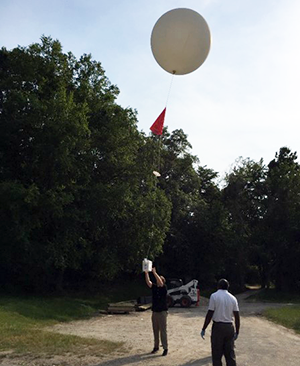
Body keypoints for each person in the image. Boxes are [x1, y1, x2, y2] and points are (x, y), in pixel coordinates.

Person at [201, 279, 240, 366]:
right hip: (229, 327)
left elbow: (210, 313)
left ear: (218, 286)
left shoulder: (214, 296)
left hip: (218, 327)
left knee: (217, 354)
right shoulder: (233, 298)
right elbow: (237, 317)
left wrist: (204, 328)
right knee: (230, 354)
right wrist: (237, 331)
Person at [145, 267, 168, 356]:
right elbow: (148, 282)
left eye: (159, 279)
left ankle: (165, 348)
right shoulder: (154, 287)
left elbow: (161, 283)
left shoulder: (164, 288)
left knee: (163, 330)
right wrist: (146, 273)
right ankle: (156, 346)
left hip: (162, 312)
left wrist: (154, 273)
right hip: (155, 311)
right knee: (155, 330)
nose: (158, 280)